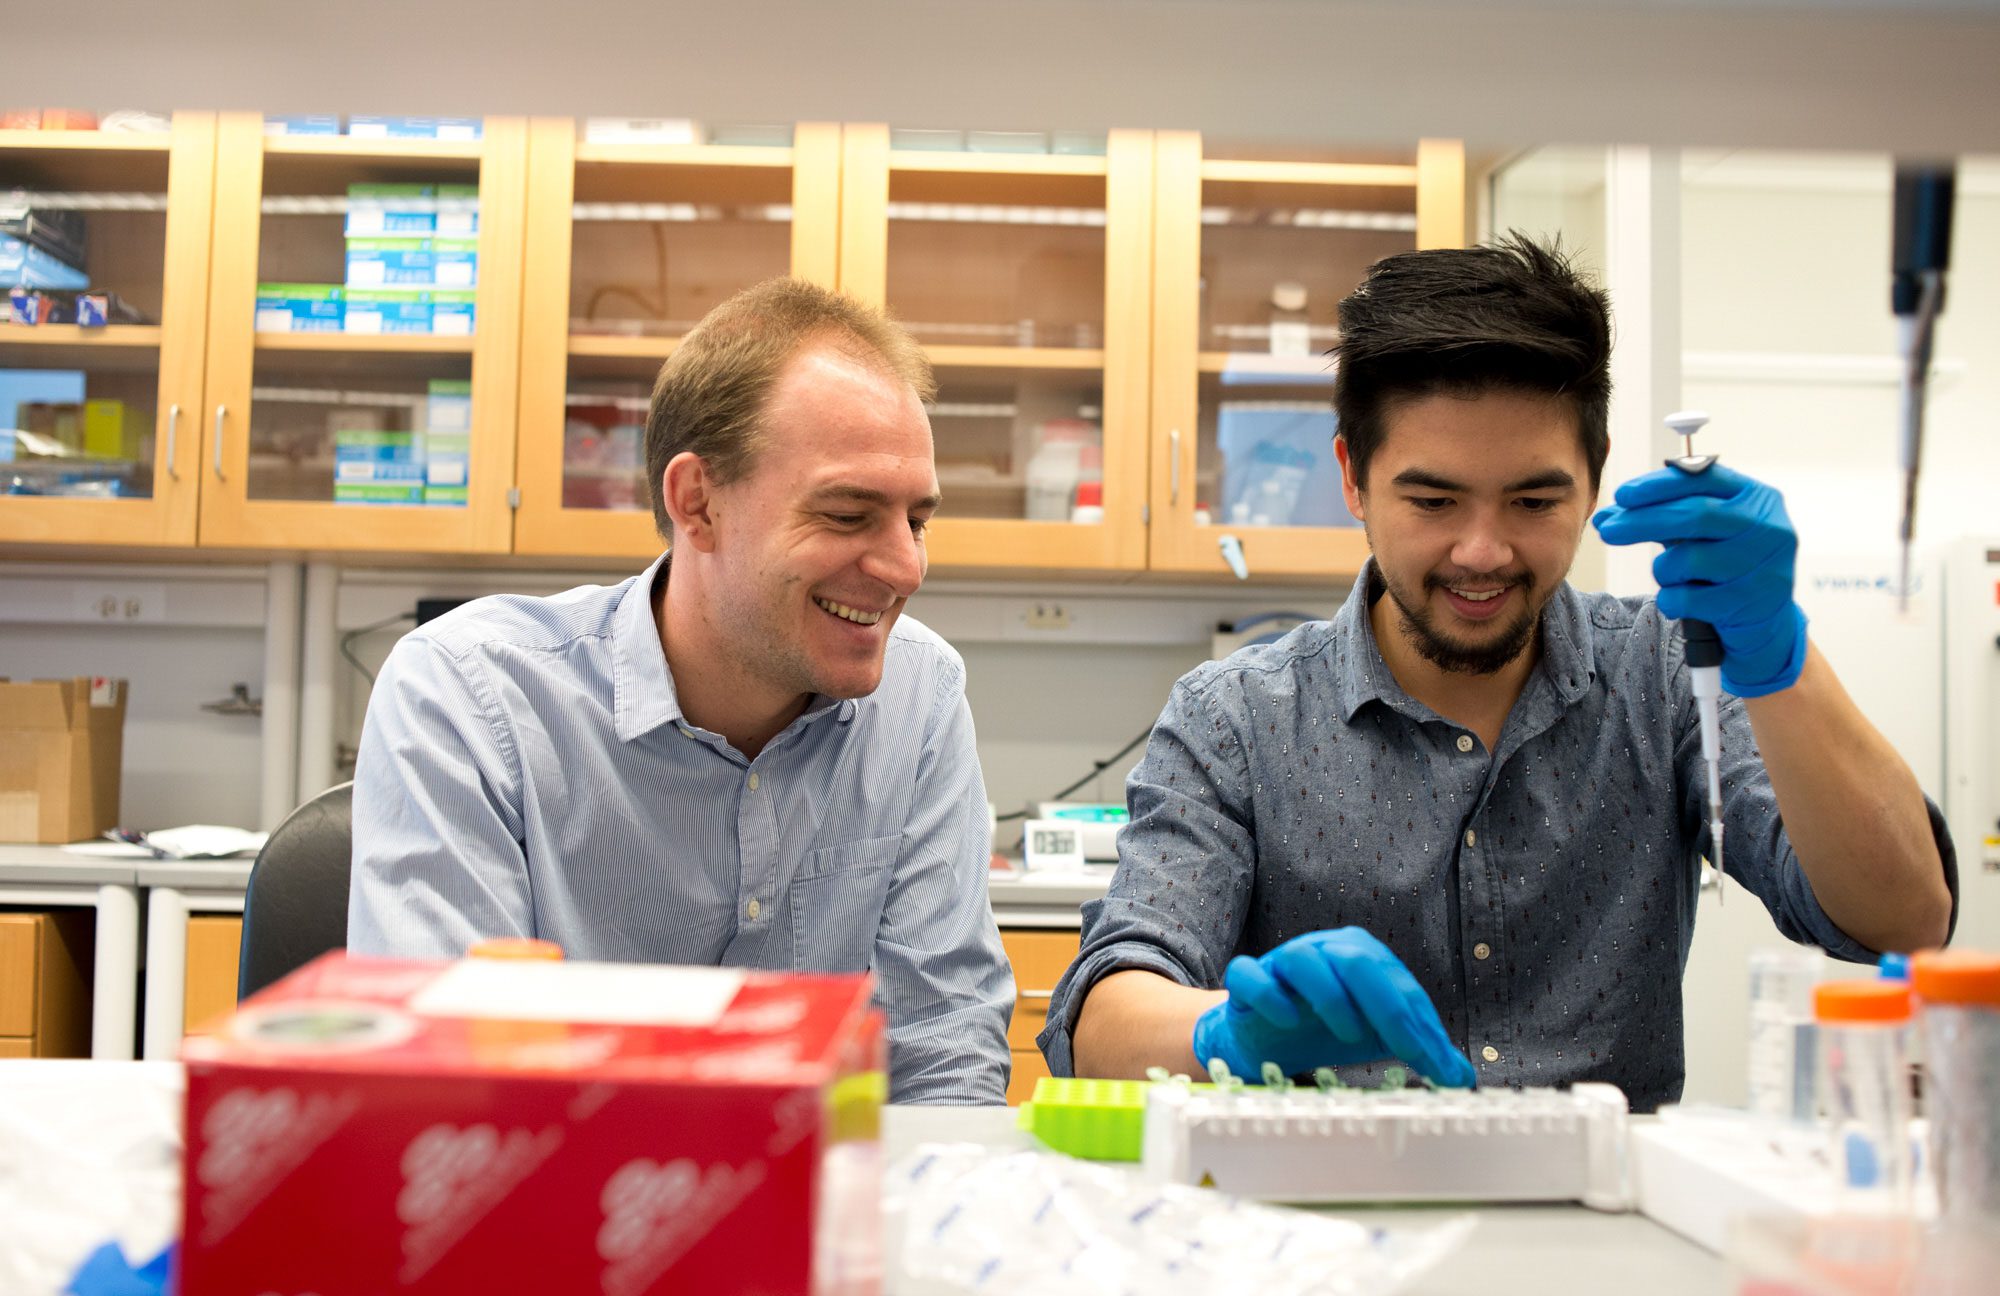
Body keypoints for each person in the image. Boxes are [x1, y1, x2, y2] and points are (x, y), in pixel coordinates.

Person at [1038, 235, 1956, 1111]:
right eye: (1433, 500)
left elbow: (1902, 920)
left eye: (1533, 499)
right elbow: (1100, 1024)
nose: (1482, 551)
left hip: (1599, 1248)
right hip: (1331, 1237)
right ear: (1353, 479)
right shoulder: (1236, 717)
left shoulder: (1667, 672)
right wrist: (1223, 1030)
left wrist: (1777, 651)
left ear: (1593, 480)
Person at [349, 277, 1013, 1104]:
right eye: (848, 515)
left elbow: (943, 1055)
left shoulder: (920, 693)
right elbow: (451, 1081)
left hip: (816, 1212)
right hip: (559, 1210)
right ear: (696, 503)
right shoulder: (469, 694)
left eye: (916, 521)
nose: (906, 566)